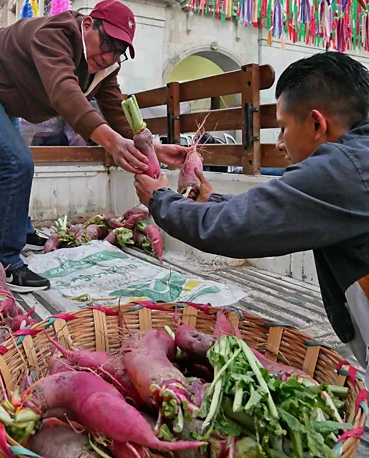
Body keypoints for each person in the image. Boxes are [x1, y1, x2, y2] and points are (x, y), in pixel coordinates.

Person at [135, 51, 369, 382]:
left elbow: (237, 227)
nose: (280, 143)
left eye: (283, 128)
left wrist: (160, 198)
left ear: (318, 124)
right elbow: (278, 208)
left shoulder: (346, 169)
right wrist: (208, 199)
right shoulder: (357, 160)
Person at [0, 0, 187, 293]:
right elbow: (64, 91)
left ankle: (19, 231)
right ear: (87, 25)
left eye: (118, 51)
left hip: (2, 98)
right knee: (17, 164)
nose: (109, 55)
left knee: (18, 163)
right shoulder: (56, 33)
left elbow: (115, 109)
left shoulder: (104, 66)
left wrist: (156, 149)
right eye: (106, 41)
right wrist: (111, 142)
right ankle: (4, 262)